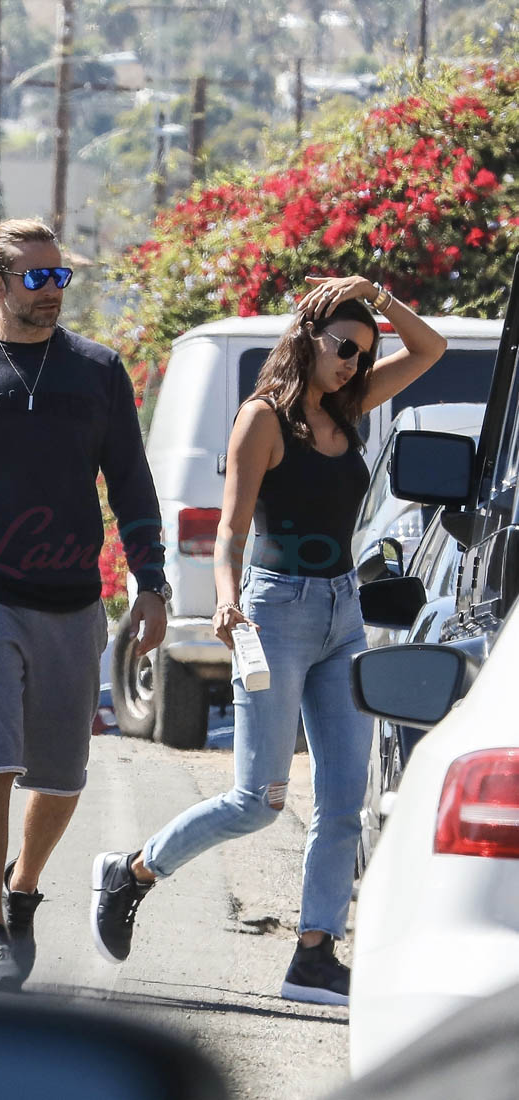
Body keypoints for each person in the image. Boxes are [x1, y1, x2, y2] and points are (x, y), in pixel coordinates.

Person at [91, 274, 446, 1005]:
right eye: (343, 347)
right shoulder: (261, 419)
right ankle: (132, 871)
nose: (352, 363)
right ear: (307, 338)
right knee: (258, 799)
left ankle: (313, 954)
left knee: (342, 801)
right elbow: (229, 530)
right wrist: (226, 601)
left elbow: (429, 349)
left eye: (362, 353)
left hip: (343, 612)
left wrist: (376, 296)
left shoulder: (348, 408)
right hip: (274, 612)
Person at [0, 218, 169, 990]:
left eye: (60, 277)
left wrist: (151, 585)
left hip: (72, 601)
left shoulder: (97, 371)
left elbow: (132, 485)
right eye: (36, 278)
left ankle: (23, 887)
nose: (52, 292)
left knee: (61, 775)